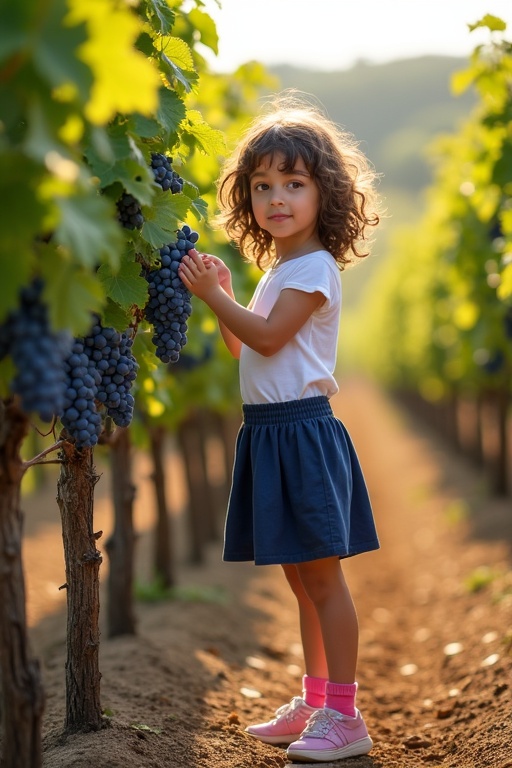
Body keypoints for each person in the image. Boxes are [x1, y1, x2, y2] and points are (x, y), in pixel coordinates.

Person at [178, 92, 381, 763]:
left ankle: (345, 716)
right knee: (300, 579)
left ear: (327, 194)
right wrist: (227, 299)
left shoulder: (315, 268)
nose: (277, 198)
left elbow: (266, 338)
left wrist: (215, 297)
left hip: (300, 431)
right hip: (268, 431)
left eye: (294, 183)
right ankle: (317, 700)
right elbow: (247, 348)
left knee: (323, 580)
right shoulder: (279, 269)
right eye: (262, 185)